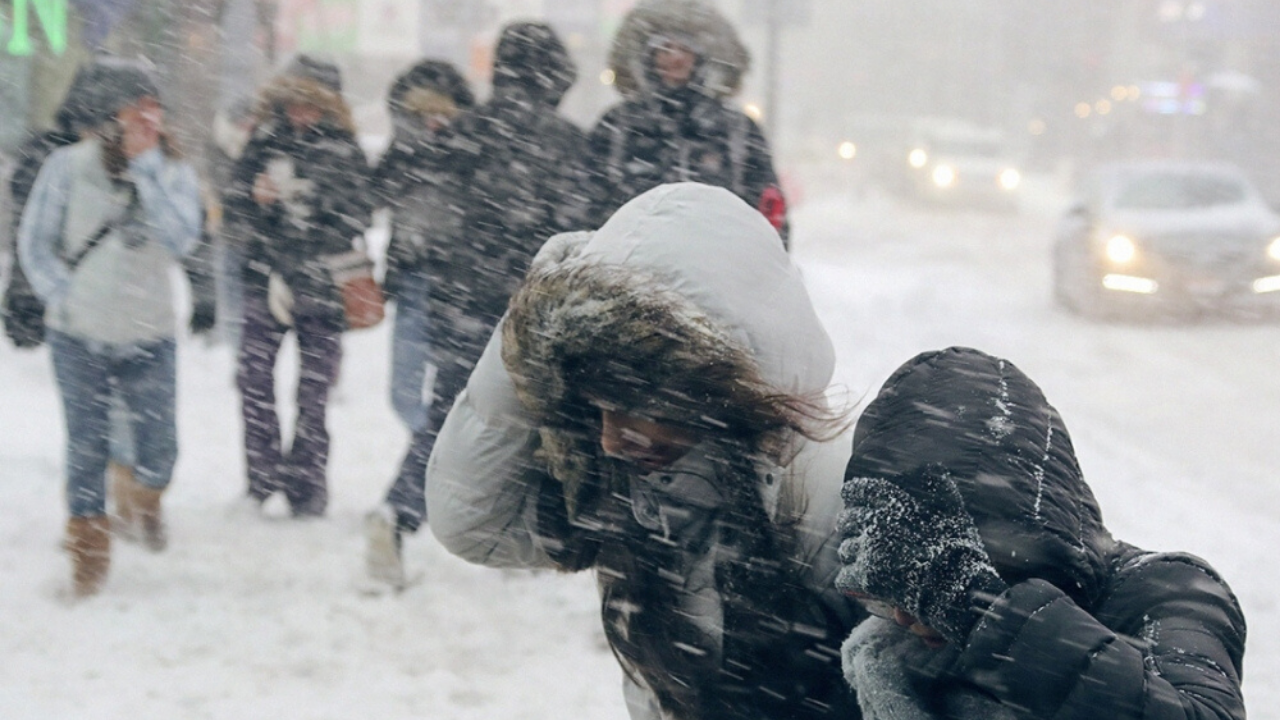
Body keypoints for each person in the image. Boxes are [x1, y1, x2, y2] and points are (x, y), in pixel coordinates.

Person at [426, 182, 866, 719]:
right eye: (597, 409)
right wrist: (535, 325)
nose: (612, 439)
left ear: (723, 391)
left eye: (640, 407)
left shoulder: (829, 496)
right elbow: (471, 520)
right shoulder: (629, 494)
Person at [832, 346, 1246, 720]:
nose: (904, 616)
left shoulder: (1163, 590)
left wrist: (983, 612)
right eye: (889, 599)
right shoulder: (890, 651)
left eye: (930, 588)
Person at [363, 24, 586, 586]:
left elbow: (420, 206)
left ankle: (398, 512)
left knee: (451, 414)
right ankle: (530, 533)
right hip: (537, 302)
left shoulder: (464, 133)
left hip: (460, 298)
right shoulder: (566, 142)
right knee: (542, 420)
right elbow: (584, 229)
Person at [17, 58, 202, 597]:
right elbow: (35, 241)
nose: (147, 121)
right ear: (108, 119)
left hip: (151, 333)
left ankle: (144, 497)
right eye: (134, 112)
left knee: (160, 447)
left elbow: (181, 239)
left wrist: (147, 169)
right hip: (79, 336)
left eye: (153, 111)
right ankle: (88, 554)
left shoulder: (172, 173)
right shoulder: (67, 167)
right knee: (86, 447)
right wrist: (64, 297)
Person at [225, 55, 372, 517]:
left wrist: (308, 198)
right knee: (253, 381)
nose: (299, 114)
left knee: (313, 393)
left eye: (309, 105)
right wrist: (257, 199)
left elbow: (356, 215)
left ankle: (307, 487)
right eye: (292, 103)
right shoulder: (264, 141)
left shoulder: (345, 150)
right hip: (264, 280)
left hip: (321, 289)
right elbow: (234, 206)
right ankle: (262, 478)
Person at [584, 0, 789, 242]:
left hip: (713, 265)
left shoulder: (737, 130)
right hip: (627, 270)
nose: (675, 58)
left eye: (685, 49)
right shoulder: (617, 126)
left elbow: (768, 208)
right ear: (648, 57)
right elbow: (588, 201)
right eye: (665, 49)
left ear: (700, 58)